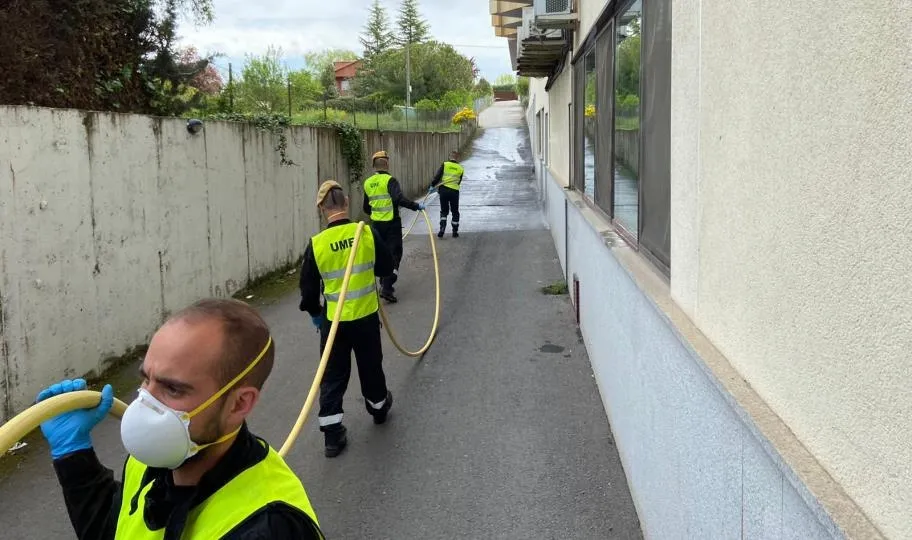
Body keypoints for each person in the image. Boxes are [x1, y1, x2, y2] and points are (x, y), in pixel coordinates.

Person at [36, 298, 324, 539]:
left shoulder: (269, 527)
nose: (144, 403)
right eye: (146, 379)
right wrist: (73, 454)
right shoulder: (150, 461)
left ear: (239, 404)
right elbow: (117, 530)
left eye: (172, 389)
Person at [300, 180, 396, 458]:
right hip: (365, 318)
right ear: (347, 203)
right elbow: (386, 267)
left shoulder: (317, 244)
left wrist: (316, 315)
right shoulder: (365, 233)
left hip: (334, 324)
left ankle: (332, 436)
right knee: (371, 366)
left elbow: (308, 291)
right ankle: (379, 408)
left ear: (322, 209)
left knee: (332, 375)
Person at [362, 150, 425, 303]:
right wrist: (415, 206)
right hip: (391, 224)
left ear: (374, 166)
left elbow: (366, 208)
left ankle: (384, 281)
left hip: (376, 226)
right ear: (387, 164)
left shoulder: (368, 183)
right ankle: (387, 286)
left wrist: (376, 213)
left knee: (381, 254)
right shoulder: (390, 181)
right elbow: (398, 199)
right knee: (395, 254)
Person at [429, 150, 465, 238]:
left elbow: (437, 176)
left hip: (444, 190)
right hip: (454, 192)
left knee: (444, 210)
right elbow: (459, 181)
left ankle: (442, 228)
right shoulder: (461, 168)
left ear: (449, 157)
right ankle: (455, 231)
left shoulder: (445, 164)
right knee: (455, 211)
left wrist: (432, 185)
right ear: (457, 158)